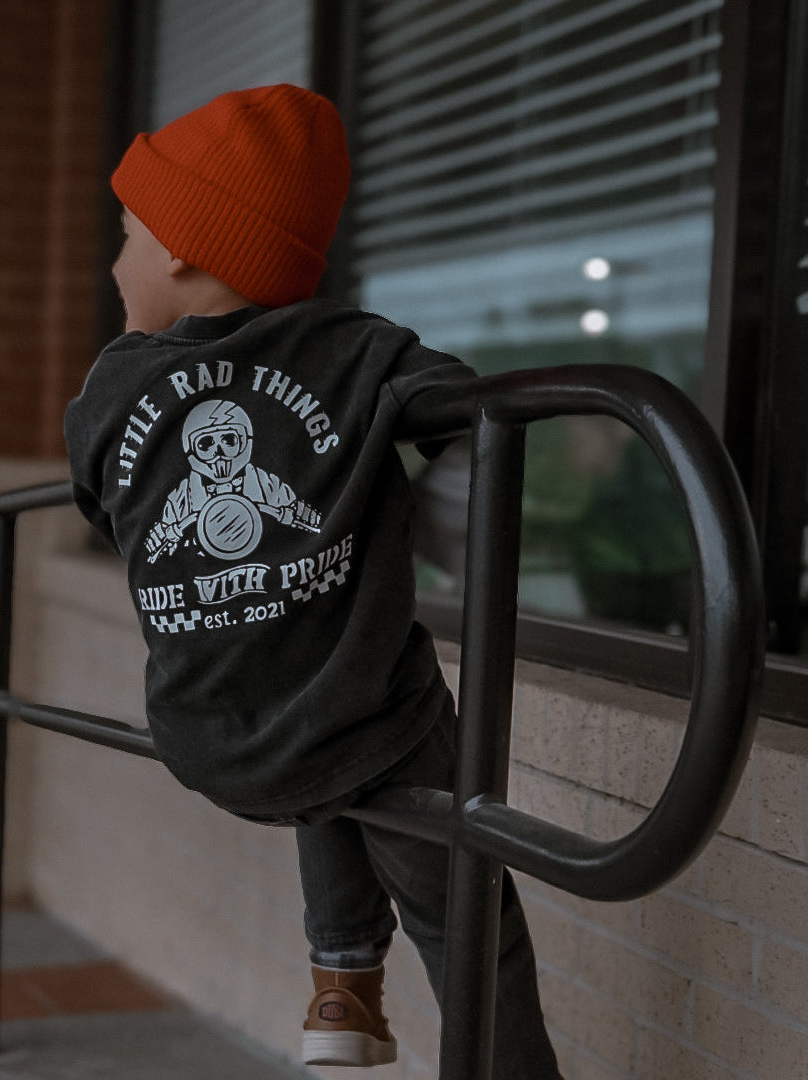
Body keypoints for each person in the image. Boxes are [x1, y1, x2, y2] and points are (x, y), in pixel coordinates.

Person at [64, 83, 562, 1078]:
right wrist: (370, 478)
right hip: (358, 720)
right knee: (471, 917)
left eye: (126, 232)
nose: (116, 259)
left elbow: (95, 497)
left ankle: (341, 983)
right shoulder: (355, 351)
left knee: (310, 692)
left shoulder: (116, 384)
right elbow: (473, 409)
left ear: (178, 247)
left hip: (209, 729)